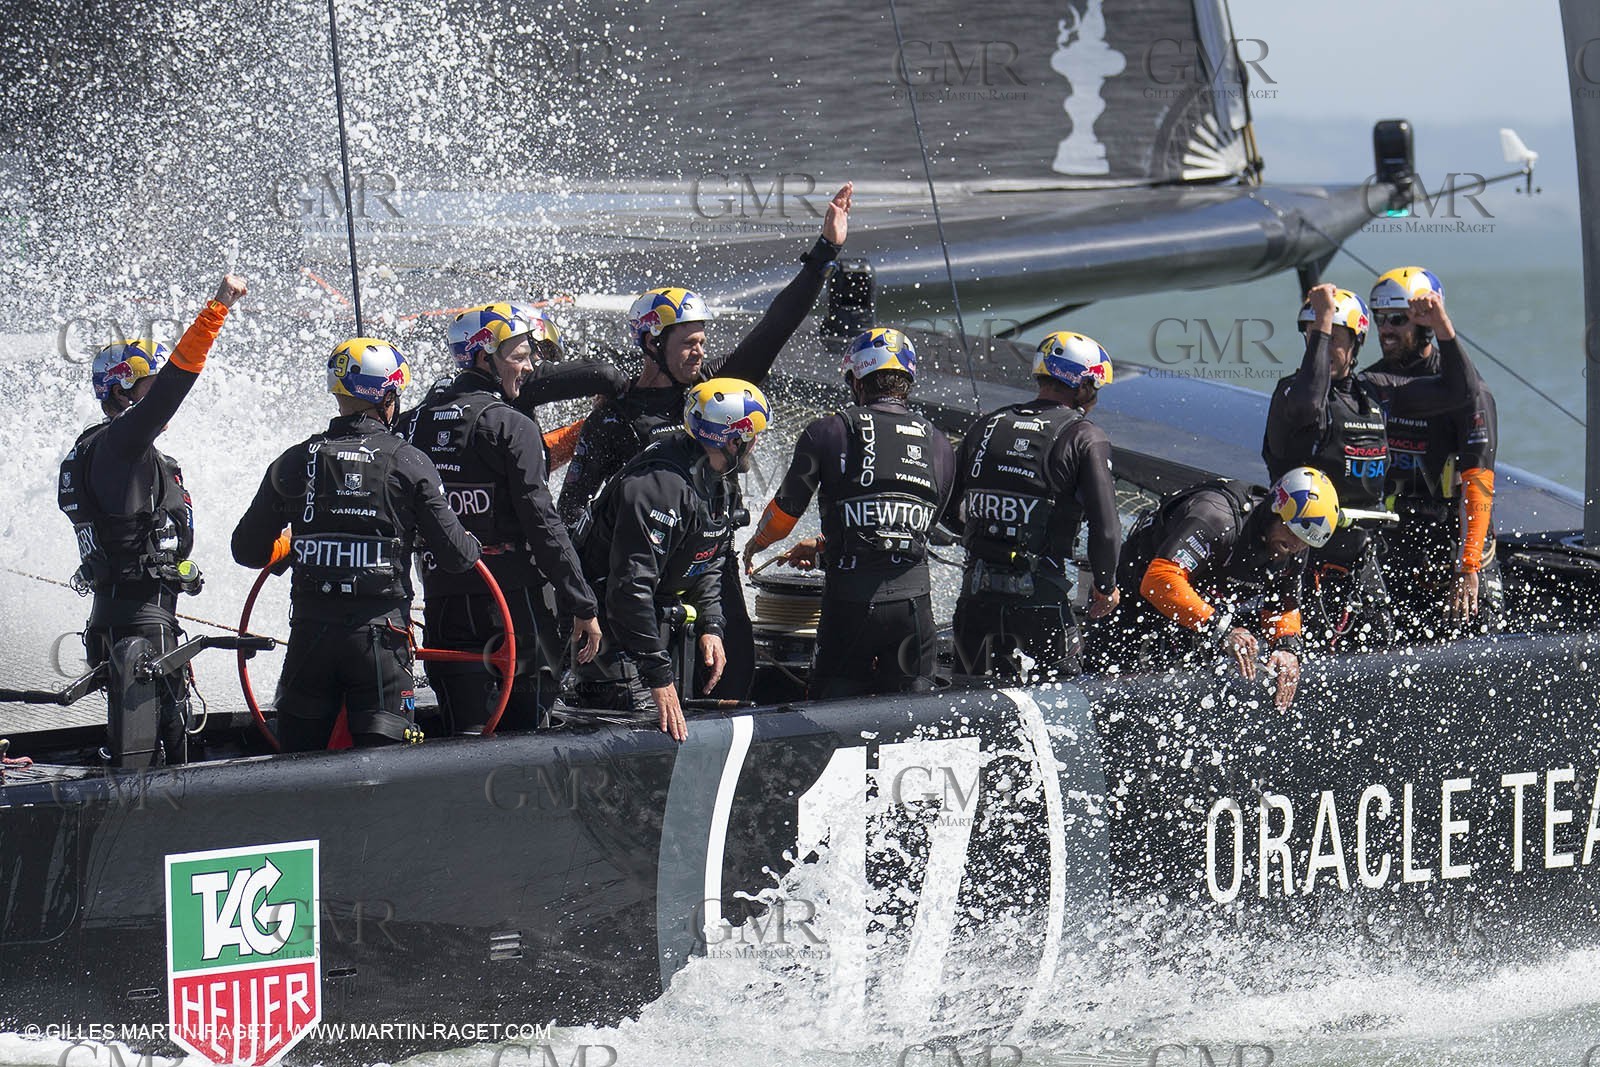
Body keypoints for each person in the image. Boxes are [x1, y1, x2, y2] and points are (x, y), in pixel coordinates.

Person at [557, 182, 853, 699]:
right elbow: (572, 514)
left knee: (733, 684)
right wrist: (583, 604)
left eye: (702, 343)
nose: (699, 353)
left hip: (706, 573)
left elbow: (773, 330)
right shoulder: (613, 420)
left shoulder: (713, 391)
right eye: (688, 343)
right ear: (653, 343)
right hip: (634, 585)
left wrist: (824, 253)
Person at [231, 338, 481, 751]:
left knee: (296, 770)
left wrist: (299, 543)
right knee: (385, 778)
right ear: (387, 397)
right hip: (381, 646)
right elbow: (457, 557)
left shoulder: (294, 460)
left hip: (310, 641)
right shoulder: (409, 460)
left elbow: (247, 551)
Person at [58, 274, 247, 764]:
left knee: (156, 753)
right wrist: (218, 307)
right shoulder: (119, 446)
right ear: (123, 391)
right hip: (141, 633)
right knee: (157, 762)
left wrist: (178, 569)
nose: (160, 396)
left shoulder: (115, 452)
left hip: (132, 622)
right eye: (149, 385)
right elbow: (176, 384)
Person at [395, 303, 602, 733]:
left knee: (462, 735)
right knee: (527, 736)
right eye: (521, 355)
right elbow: (542, 523)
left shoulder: (411, 423)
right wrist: (582, 602)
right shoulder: (512, 425)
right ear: (483, 355)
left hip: (444, 604)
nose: (529, 367)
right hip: (515, 606)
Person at [1262, 282, 1480, 645]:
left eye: (1336, 339)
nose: (1325, 346)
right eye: (1316, 337)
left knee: (1383, 649)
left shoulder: (1374, 393)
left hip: (1362, 554)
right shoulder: (1291, 393)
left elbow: (1461, 392)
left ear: (1357, 342)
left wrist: (1442, 327)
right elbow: (1310, 405)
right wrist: (1325, 320)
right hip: (1301, 554)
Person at [743, 328, 955, 698]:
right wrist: (823, 545)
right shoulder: (939, 443)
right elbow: (913, 526)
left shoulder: (828, 430)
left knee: (831, 714)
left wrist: (754, 546)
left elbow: (785, 513)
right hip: (913, 610)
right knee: (913, 720)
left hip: (849, 606)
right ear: (908, 380)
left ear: (856, 379)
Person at [567, 378, 771, 742]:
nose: (756, 445)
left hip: (652, 636)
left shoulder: (718, 477)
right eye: (753, 436)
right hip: (614, 644)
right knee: (647, 753)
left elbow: (711, 554)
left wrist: (711, 623)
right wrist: (658, 677)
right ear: (733, 439)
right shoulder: (658, 487)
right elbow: (629, 592)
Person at [944, 331, 1121, 682]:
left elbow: (947, 509)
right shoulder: (1085, 436)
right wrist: (1105, 584)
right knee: (1061, 701)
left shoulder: (987, 424)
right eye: (1095, 388)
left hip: (976, 601)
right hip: (1039, 600)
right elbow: (1106, 528)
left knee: (965, 700)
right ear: (1082, 386)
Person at [1096, 467, 1340, 710]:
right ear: (1275, 510)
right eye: (1291, 533)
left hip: (1199, 610)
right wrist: (1222, 630)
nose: (1295, 546)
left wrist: (1286, 647)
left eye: (1304, 541)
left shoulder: (1295, 545)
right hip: (1134, 596)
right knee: (1112, 680)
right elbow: (1159, 580)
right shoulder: (1218, 517)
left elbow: (1283, 606)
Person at [1360, 266, 1501, 634]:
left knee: (1475, 639)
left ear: (1424, 325)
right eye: (1379, 319)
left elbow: (1479, 481)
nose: (1386, 330)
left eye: (1397, 319)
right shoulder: (1373, 384)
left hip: (1455, 544)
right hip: (1395, 538)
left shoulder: (1471, 395)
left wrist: (1468, 565)